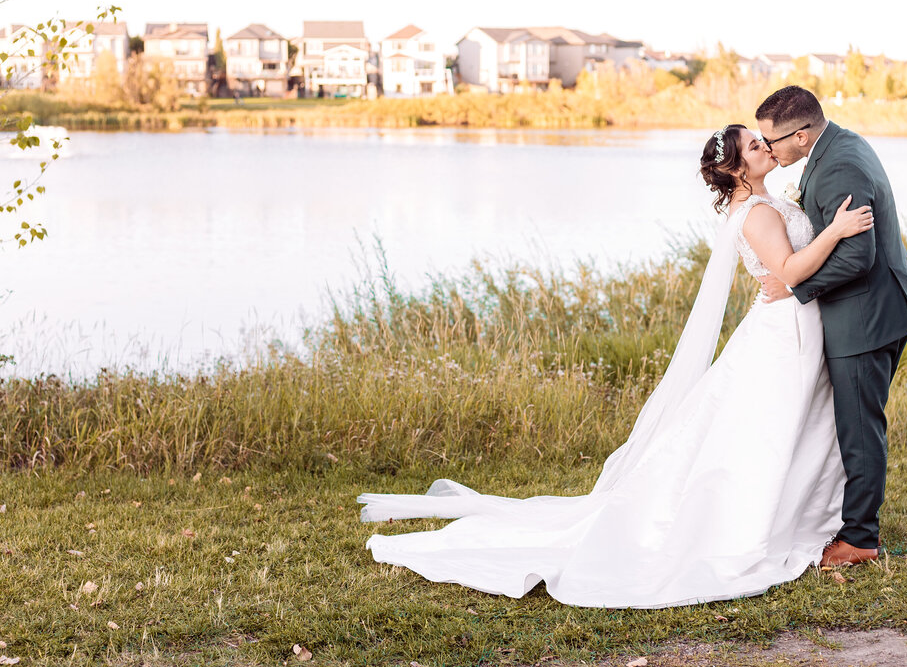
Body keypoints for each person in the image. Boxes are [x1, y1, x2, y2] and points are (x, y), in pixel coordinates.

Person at [356, 120, 877, 608]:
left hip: (791, 324)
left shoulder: (764, 204)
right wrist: (834, 231)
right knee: (768, 429)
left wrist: (804, 256)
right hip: (784, 331)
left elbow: (784, 274)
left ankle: (798, 514)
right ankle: (756, 524)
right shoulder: (759, 213)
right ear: (739, 168)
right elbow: (787, 271)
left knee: (785, 427)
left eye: (765, 141)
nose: (766, 145)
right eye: (755, 146)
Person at [755, 86, 907, 568]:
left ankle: (859, 539)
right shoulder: (840, 144)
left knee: (859, 428)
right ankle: (846, 519)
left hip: (865, 316)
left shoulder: (839, 166)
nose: (769, 151)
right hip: (877, 308)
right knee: (855, 425)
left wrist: (793, 286)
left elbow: (857, 256)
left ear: (802, 134)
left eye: (773, 142)